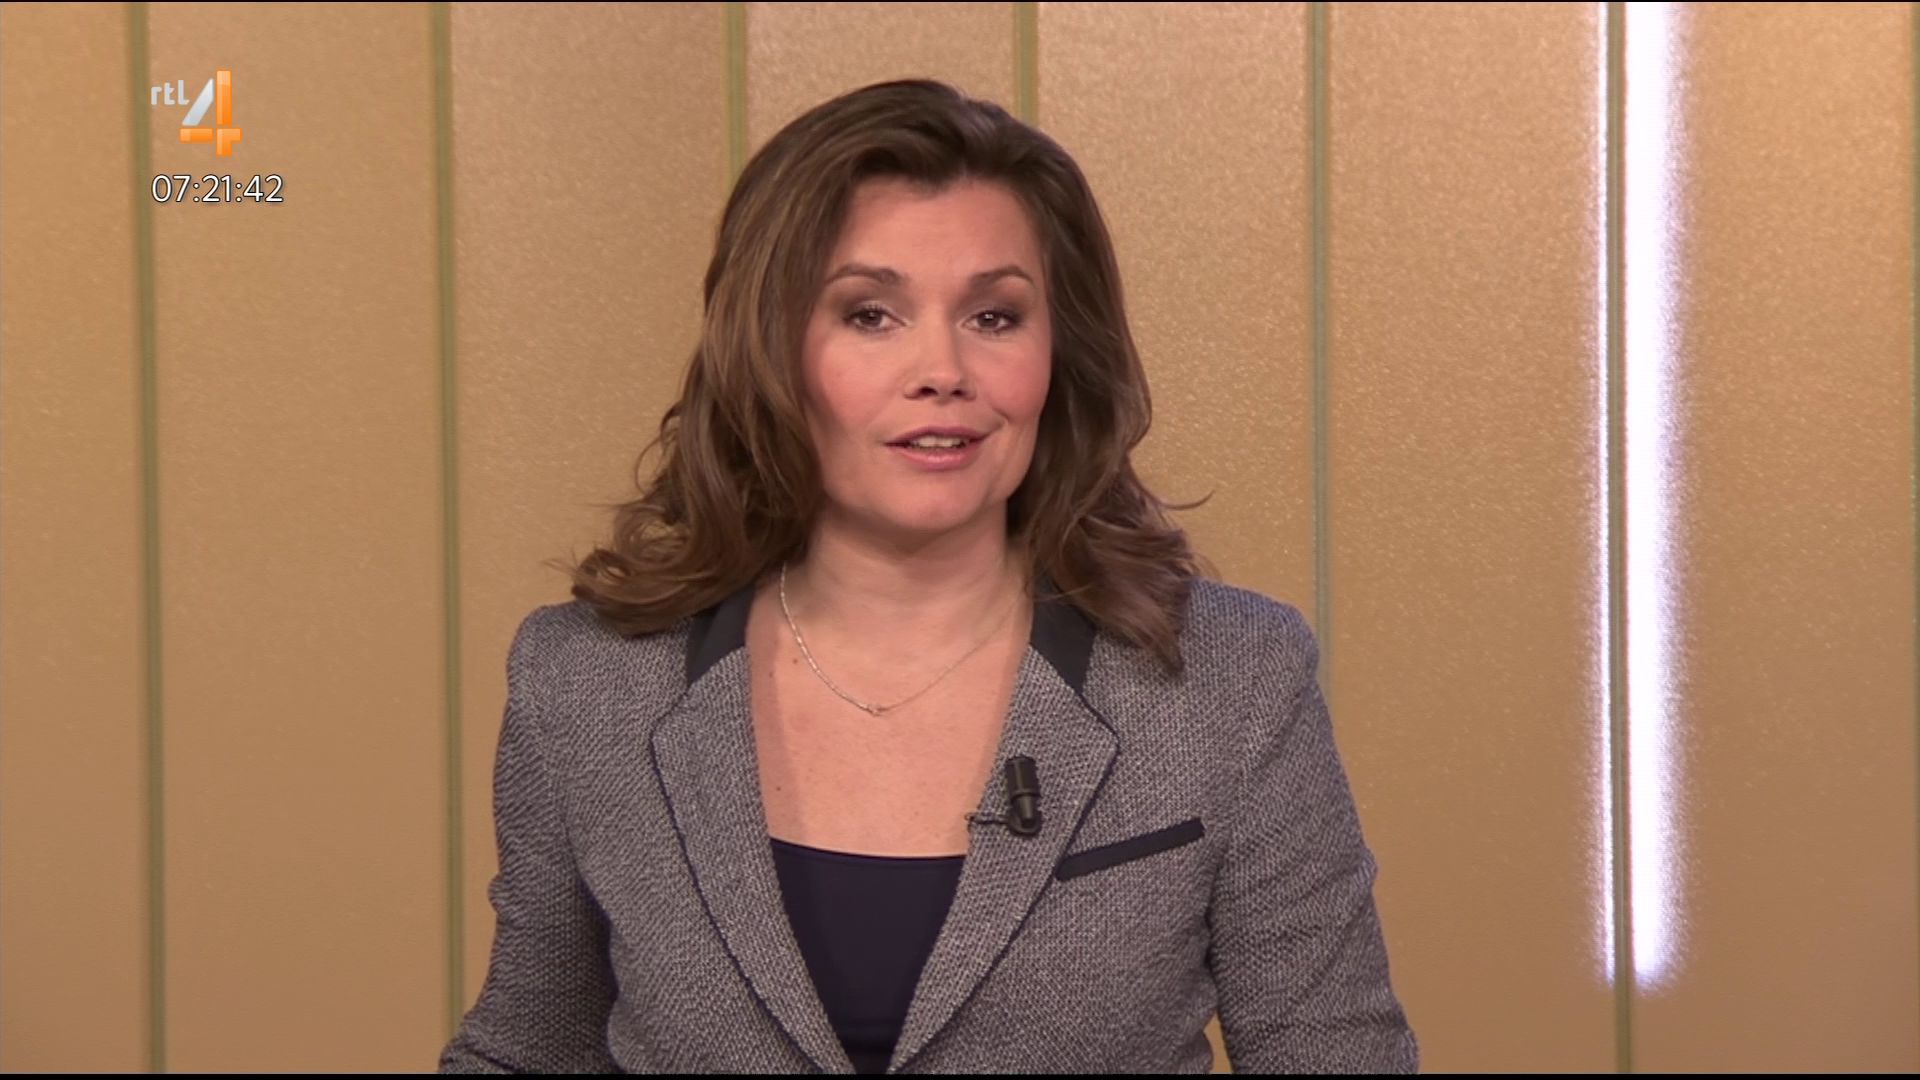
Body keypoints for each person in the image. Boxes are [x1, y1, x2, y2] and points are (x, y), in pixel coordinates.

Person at [439, 78, 1416, 1075]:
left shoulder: (1232, 680)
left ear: (1058, 354)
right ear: (769, 351)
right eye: (871, 315)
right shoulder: (587, 684)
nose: (942, 370)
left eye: (994, 317)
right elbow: (526, 1053)